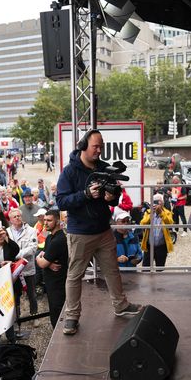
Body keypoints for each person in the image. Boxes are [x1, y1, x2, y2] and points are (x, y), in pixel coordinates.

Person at [55, 129, 142, 336]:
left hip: (103, 231)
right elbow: (61, 202)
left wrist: (112, 196)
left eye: (101, 146)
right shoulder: (69, 172)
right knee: (75, 276)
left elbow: (116, 194)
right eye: (96, 146)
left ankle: (120, 305)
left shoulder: (104, 167)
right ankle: (72, 316)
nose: (100, 150)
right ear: (83, 146)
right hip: (80, 234)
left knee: (112, 270)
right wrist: (86, 194)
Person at [35, 210, 67, 328]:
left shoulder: (58, 240)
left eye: (49, 220)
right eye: (45, 220)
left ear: (58, 221)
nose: (45, 223)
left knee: (58, 314)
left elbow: (41, 261)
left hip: (58, 283)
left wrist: (41, 259)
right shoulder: (49, 238)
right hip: (51, 282)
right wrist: (48, 263)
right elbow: (45, 256)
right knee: (54, 311)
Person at [6, 209, 38, 327]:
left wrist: (17, 255)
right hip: (13, 269)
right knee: (15, 295)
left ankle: (34, 314)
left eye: (19, 216)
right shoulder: (7, 232)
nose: (17, 218)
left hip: (27, 268)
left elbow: (33, 248)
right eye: (14, 216)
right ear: (10, 219)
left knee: (32, 294)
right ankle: (17, 318)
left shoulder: (31, 231)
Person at [140, 193, 174, 269]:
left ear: (162, 202)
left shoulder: (167, 212)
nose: (155, 203)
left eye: (157, 201)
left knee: (160, 268)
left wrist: (161, 213)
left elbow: (170, 223)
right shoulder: (148, 212)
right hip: (149, 246)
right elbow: (142, 223)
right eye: (154, 201)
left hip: (161, 246)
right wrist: (151, 214)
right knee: (146, 268)